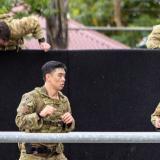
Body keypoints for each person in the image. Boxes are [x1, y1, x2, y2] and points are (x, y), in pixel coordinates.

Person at [15, 60, 75, 160]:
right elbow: (19, 121)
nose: (63, 79)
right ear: (48, 77)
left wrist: (69, 122)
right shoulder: (32, 97)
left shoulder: (64, 100)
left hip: (55, 155)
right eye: (59, 76)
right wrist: (40, 115)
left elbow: (67, 129)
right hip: (33, 155)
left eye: (64, 76)